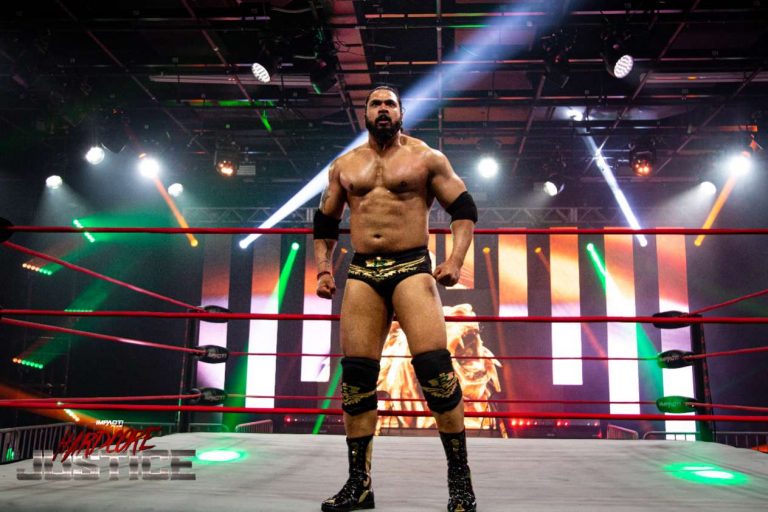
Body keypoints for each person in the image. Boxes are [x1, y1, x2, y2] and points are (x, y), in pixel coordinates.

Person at [313, 85, 478, 512]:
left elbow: (464, 208)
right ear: (365, 114)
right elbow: (325, 223)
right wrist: (324, 270)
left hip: (411, 266)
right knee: (356, 380)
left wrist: (455, 260)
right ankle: (359, 485)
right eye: (375, 104)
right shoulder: (345, 165)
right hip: (363, 271)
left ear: (401, 113)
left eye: (390, 103)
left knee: (436, 373)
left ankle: (460, 483)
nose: (383, 109)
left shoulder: (426, 157)